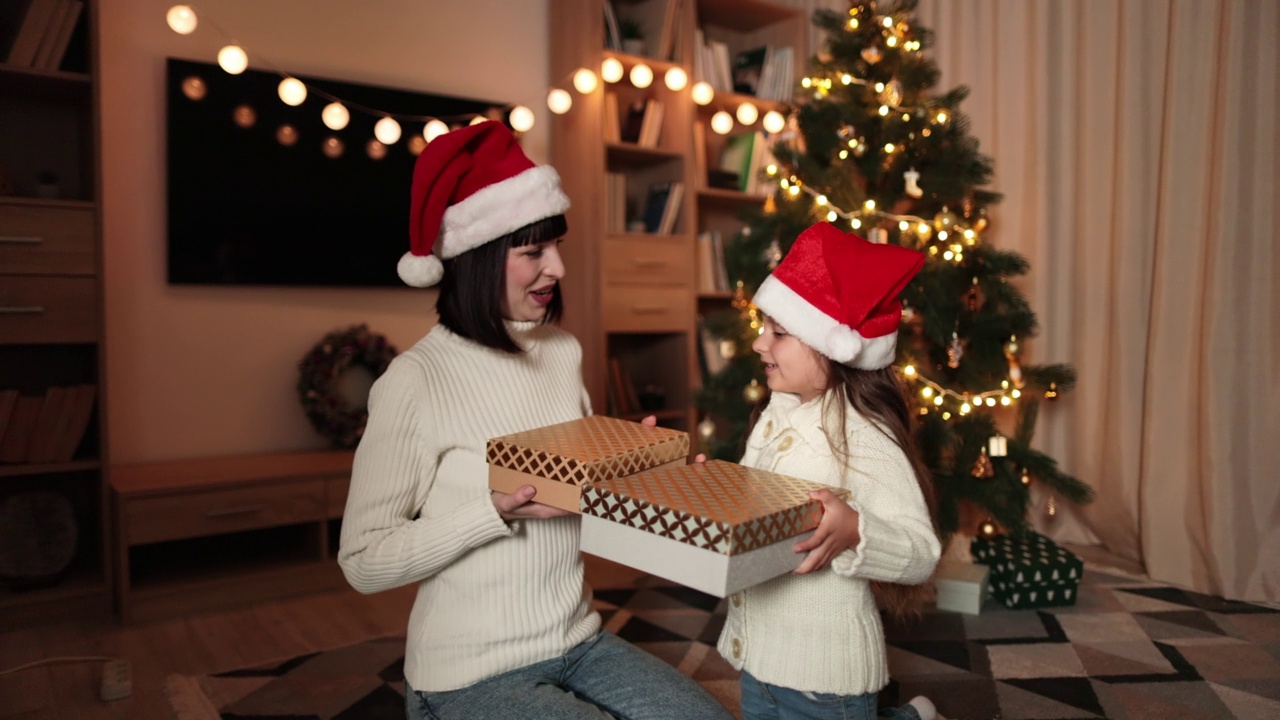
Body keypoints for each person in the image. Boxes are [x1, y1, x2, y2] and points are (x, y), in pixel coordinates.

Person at [338, 121, 731, 720]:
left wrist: (641, 469)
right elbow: (363, 561)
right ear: (477, 259)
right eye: (532, 253)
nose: (557, 269)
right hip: (467, 673)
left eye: (556, 248)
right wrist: (495, 511)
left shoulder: (560, 352)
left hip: (578, 640)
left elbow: (580, 499)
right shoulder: (414, 381)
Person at [717, 221, 944, 720]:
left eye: (779, 332)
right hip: (758, 662)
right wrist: (712, 492)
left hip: (826, 682)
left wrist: (856, 530)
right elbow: (751, 508)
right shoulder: (775, 413)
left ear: (834, 346)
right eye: (763, 329)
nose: (759, 344)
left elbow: (921, 552)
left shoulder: (863, 435)